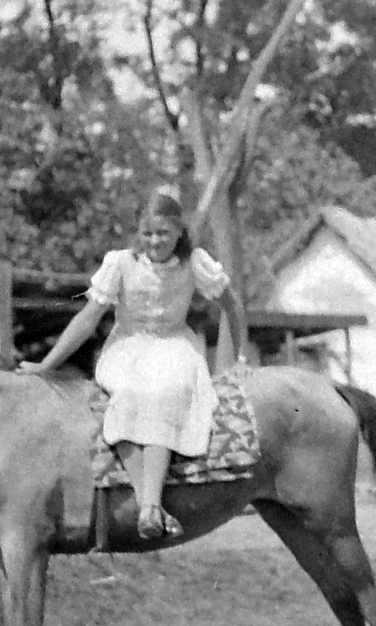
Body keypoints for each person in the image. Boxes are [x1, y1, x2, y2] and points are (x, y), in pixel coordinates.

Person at [20, 189, 248, 539]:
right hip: (126, 347)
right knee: (126, 392)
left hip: (175, 345)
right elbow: (87, 319)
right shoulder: (120, 262)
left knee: (166, 390)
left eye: (164, 233)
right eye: (148, 233)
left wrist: (240, 358)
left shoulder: (195, 262)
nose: (155, 241)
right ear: (138, 233)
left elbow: (232, 307)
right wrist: (46, 365)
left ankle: (148, 506)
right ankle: (150, 507)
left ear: (179, 233)